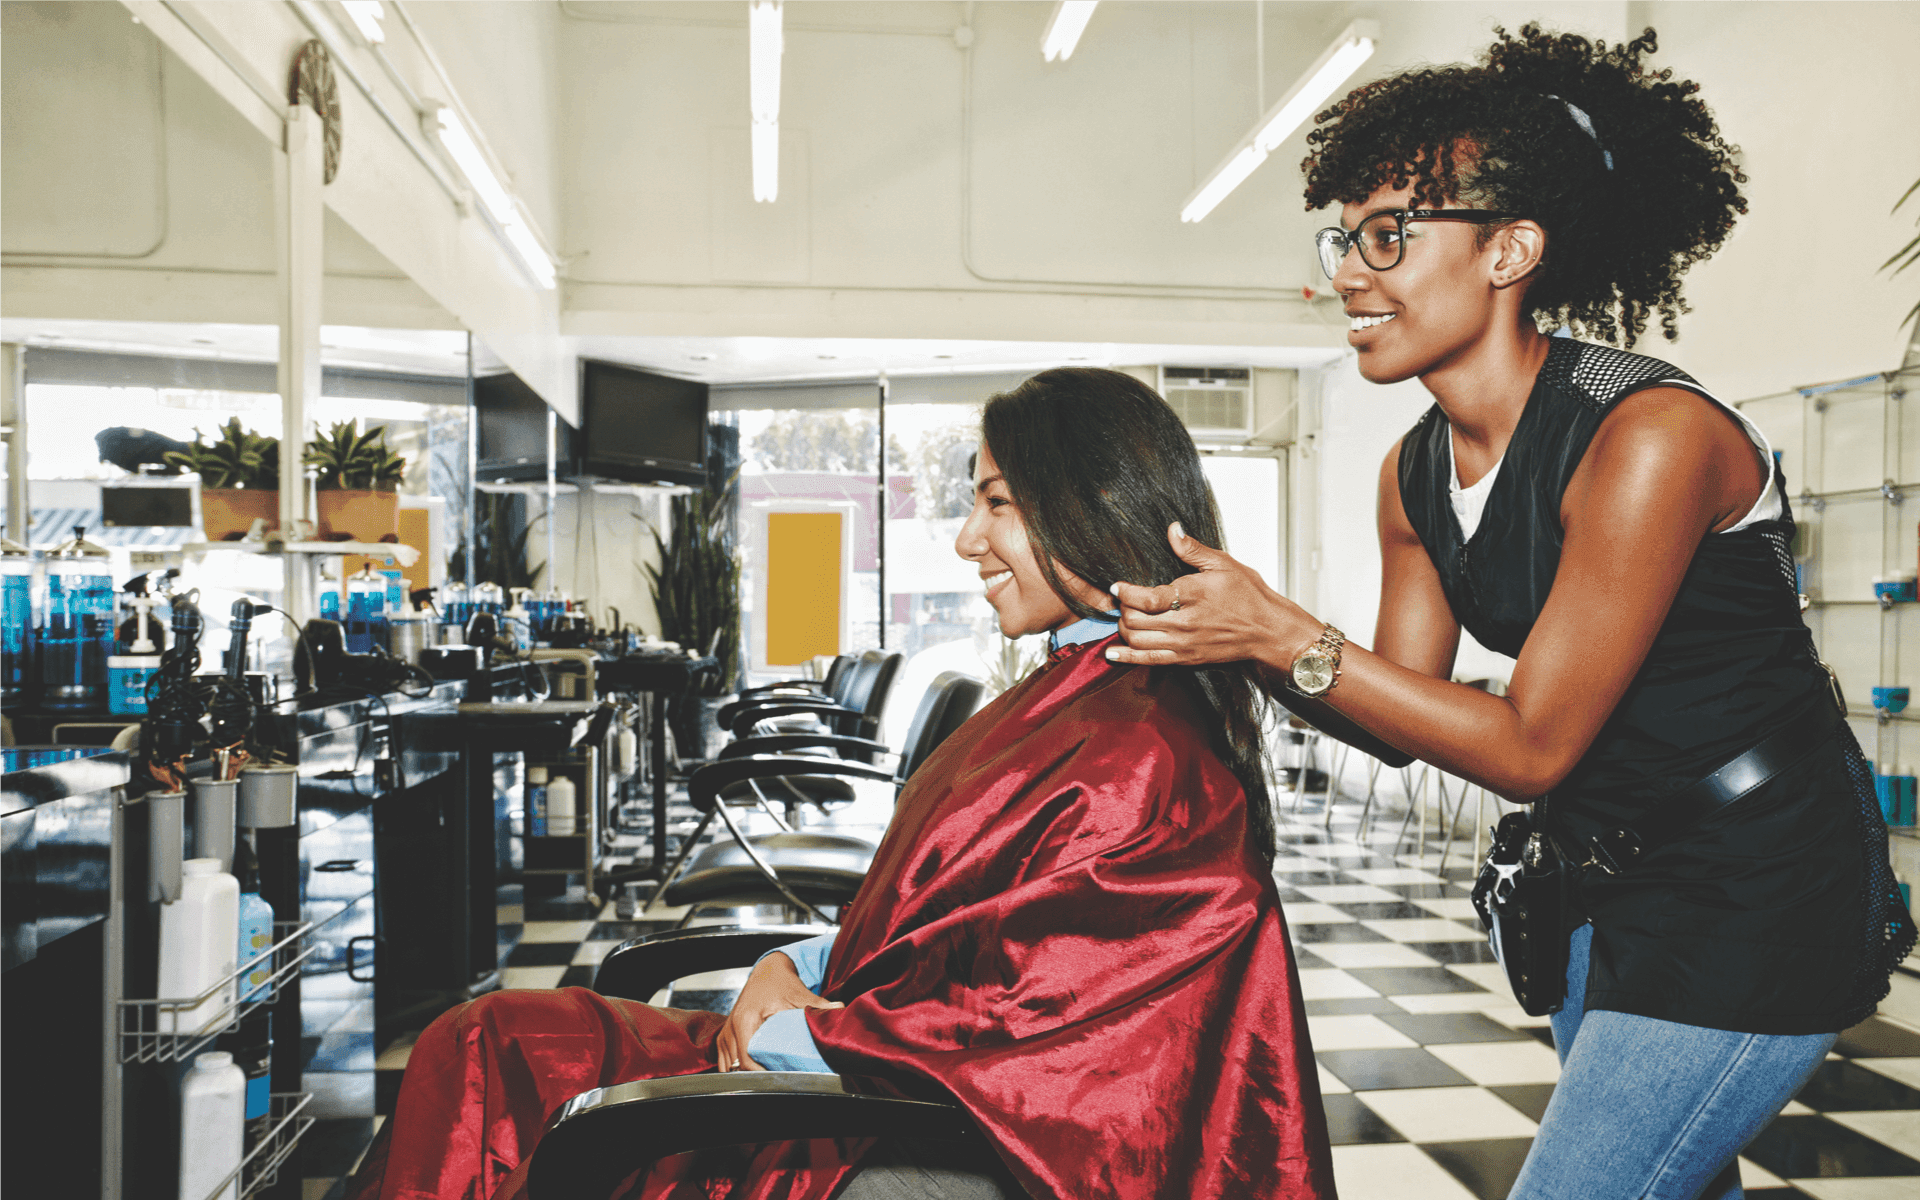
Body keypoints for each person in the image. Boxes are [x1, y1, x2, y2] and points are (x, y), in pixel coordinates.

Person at [1105, 23, 1917, 1200]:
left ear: (1510, 250)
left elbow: (1532, 747)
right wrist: (1225, 638)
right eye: (1345, 236)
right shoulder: (1415, 474)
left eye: (1389, 235)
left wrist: (1280, 631)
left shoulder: (1648, 438)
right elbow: (1395, 712)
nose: (1348, 270)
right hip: (1602, 887)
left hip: (1761, 890)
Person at [346, 367, 1334, 1200]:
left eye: (996, 502)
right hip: (853, 1026)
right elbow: (974, 928)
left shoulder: (1143, 756)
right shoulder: (1084, 693)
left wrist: (793, 1030)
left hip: (866, 1097)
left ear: (1090, 508)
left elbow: (1036, 1033)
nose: (965, 538)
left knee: (489, 1058)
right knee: (490, 1040)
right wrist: (808, 965)